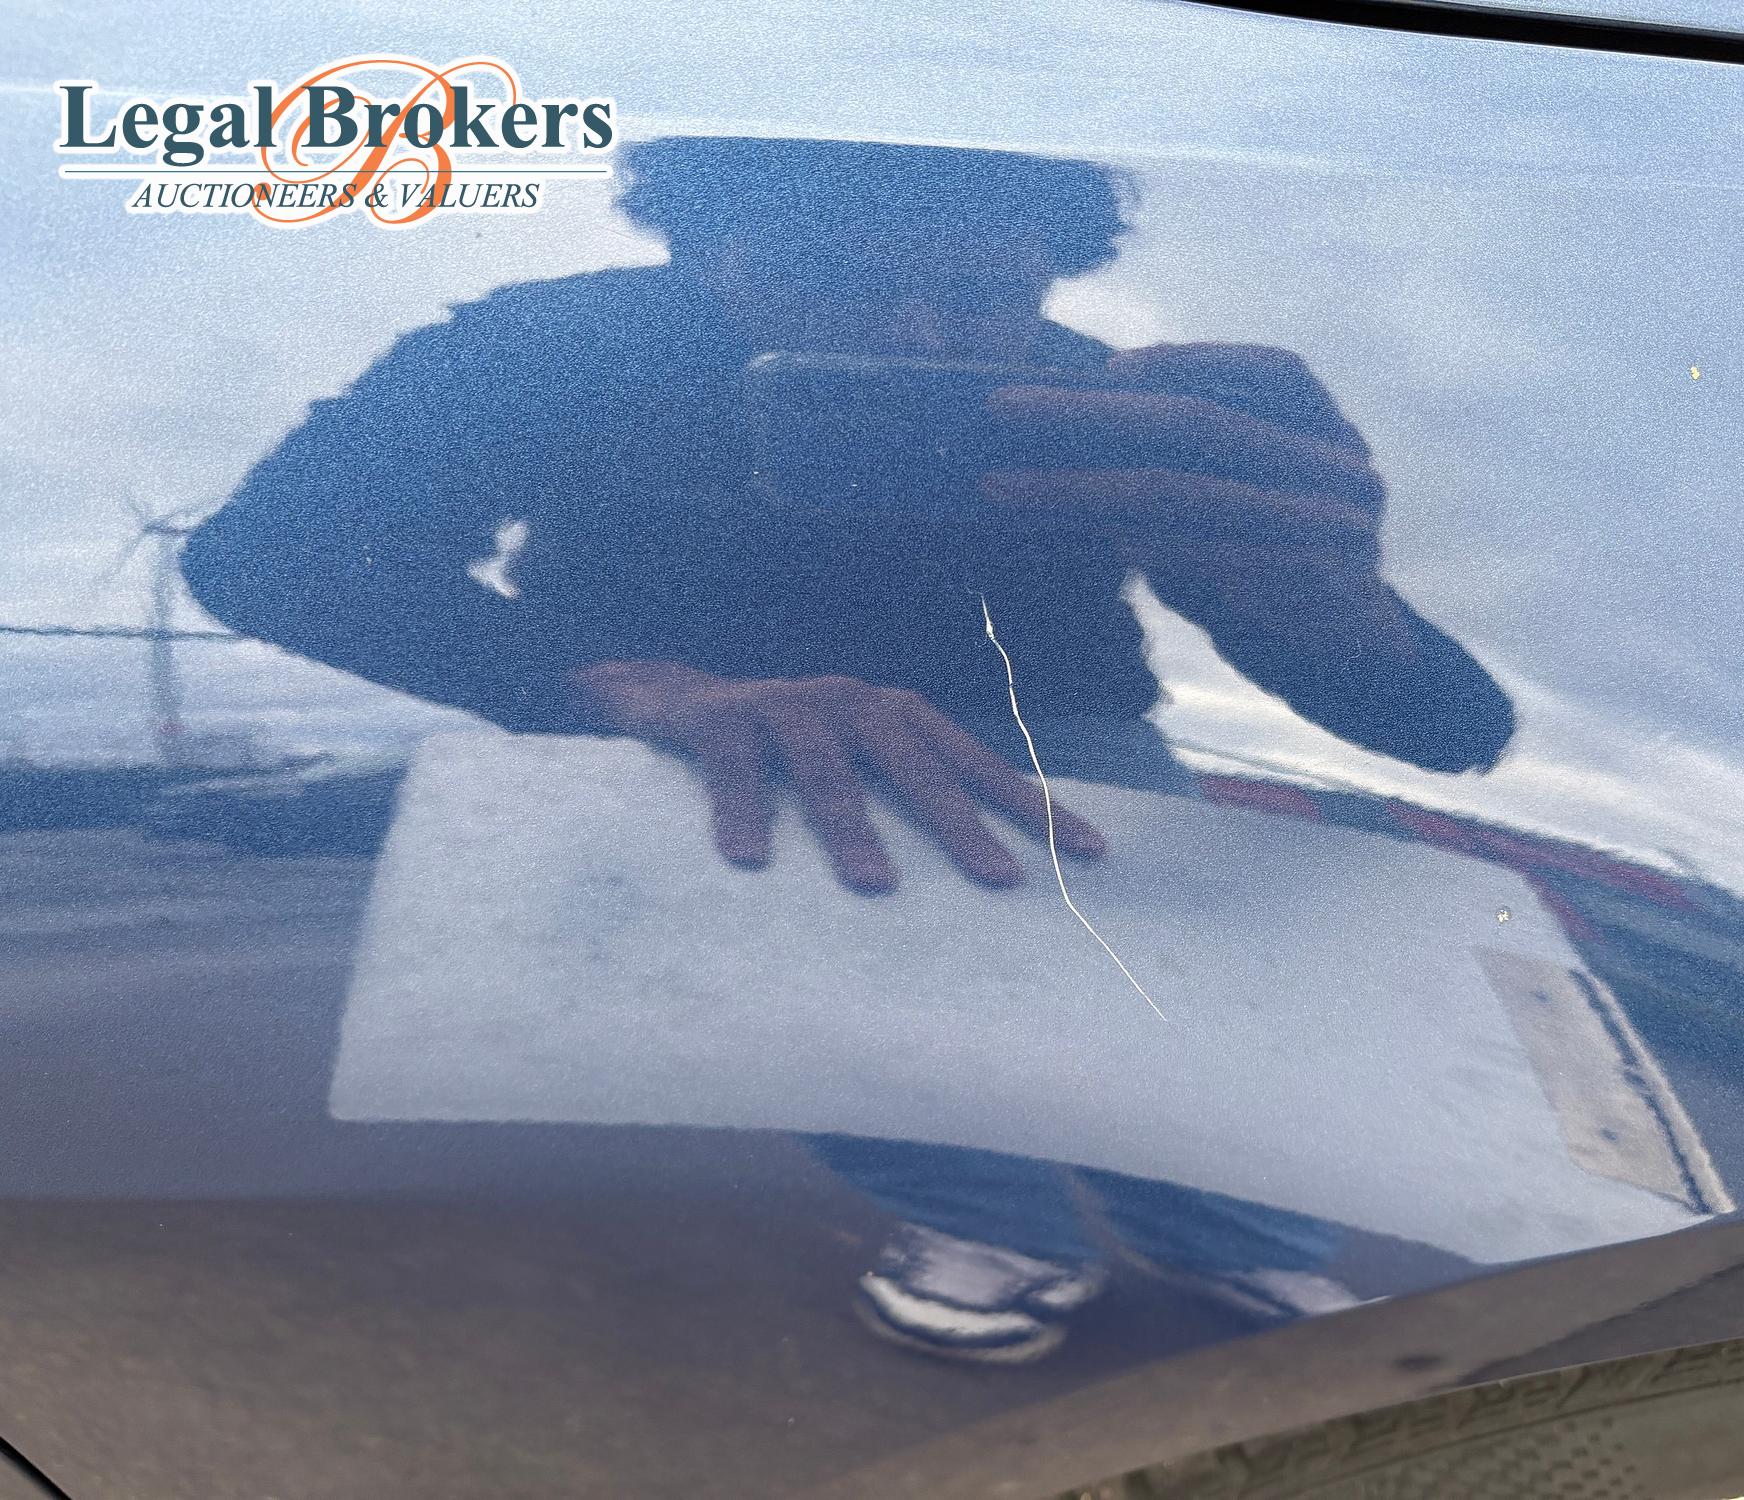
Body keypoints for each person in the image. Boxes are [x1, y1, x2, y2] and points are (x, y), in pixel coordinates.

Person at [183, 135, 1516, 1361]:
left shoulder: (1091, 400)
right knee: (821, 960)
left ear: (1047, 277)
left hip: (1059, 738)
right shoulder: (543, 346)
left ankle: (1232, 1233)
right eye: (831, 277)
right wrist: (627, 686)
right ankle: (991, 1220)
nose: (913, 335)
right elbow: (265, 551)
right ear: (706, 247)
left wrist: (1333, 605)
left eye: (983, 295)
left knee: (1158, 990)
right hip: (706, 740)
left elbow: (1448, 731)